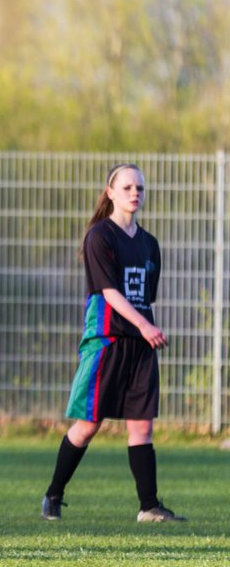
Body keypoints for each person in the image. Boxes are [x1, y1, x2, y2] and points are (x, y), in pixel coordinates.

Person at [41, 162, 185, 523]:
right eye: (127, 188)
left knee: (142, 424)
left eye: (140, 188)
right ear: (111, 193)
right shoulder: (99, 236)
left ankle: (148, 506)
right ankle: (53, 496)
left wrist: (143, 328)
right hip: (108, 341)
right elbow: (108, 293)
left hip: (140, 344)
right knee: (89, 424)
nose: (135, 193)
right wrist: (143, 326)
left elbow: (144, 296)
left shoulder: (150, 244)